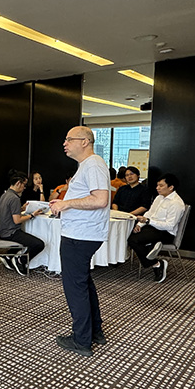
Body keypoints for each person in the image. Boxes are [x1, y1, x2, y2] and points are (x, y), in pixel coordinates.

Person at [49, 126, 111, 358]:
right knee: (83, 284)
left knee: (75, 288)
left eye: (69, 139)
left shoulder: (93, 164)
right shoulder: (88, 165)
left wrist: (66, 204)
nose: (64, 143)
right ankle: (95, 332)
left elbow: (100, 199)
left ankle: (81, 339)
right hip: (82, 233)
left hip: (81, 235)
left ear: (85, 141)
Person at [127, 173, 185, 283]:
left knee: (133, 240)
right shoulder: (159, 197)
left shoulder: (176, 203)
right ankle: (153, 256)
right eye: (157, 185)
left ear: (171, 187)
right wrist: (139, 225)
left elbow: (170, 225)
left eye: (161, 186)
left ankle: (156, 263)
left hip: (166, 233)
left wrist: (148, 221)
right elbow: (149, 213)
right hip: (152, 228)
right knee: (130, 235)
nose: (157, 188)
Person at [0, 171, 45, 276]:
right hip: (11, 232)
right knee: (39, 244)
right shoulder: (15, 198)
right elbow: (17, 220)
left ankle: (9, 256)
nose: (24, 188)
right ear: (18, 183)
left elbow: (9, 212)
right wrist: (32, 215)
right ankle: (21, 260)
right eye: (24, 185)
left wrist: (21, 209)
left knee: (27, 236)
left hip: (3, 229)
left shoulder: (5, 194)